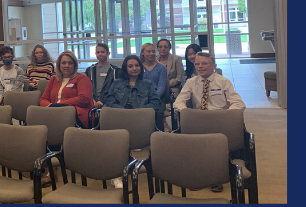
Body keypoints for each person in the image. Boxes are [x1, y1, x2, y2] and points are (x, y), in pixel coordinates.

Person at [173, 52, 245, 193]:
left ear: (213, 66)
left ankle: (216, 178)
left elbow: (239, 103)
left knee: (215, 147)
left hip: (219, 120)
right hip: (198, 119)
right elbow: (178, 102)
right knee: (194, 147)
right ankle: (198, 177)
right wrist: (188, 114)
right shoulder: (191, 82)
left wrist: (225, 115)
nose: (200, 66)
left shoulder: (223, 82)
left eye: (204, 63)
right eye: (197, 64)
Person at [39, 51, 94, 128]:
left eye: (70, 63)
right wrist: (50, 107)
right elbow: (43, 99)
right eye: (63, 63)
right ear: (59, 65)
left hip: (76, 114)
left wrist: (59, 105)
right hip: (53, 112)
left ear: (74, 65)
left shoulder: (82, 78)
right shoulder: (53, 79)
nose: (67, 66)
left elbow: (84, 99)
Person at [103, 54, 161, 124]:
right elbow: (109, 100)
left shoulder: (148, 84)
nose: (134, 68)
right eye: (130, 66)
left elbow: (155, 102)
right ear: (125, 68)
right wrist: (122, 110)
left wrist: (139, 111)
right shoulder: (117, 82)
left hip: (141, 117)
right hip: (119, 116)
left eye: (137, 65)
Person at [139, 42, 169, 130]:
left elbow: (161, 87)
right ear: (142, 53)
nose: (151, 54)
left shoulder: (162, 68)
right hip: (140, 96)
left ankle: (159, 135)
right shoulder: (138, 67)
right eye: (148, 51)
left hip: (158, 97)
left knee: (158, 113)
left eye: (153, 51)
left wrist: (152, 98)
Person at [85, 43, 119, 112]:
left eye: (102, 52)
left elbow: (116, 90)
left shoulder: (115, 70)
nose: (100, 54)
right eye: (98, 52)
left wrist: (103, 100)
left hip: (108, 102)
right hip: (92, 101)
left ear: (108, 53)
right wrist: (92, 100)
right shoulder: (89, 70)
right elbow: (86, 87)